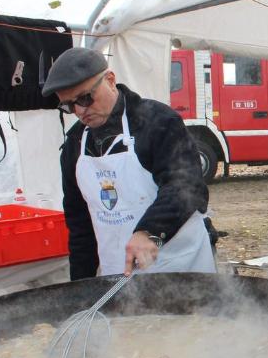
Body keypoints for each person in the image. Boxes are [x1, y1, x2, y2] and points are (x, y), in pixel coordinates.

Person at [44, 48, 216, 280]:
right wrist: (79, 290)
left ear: (110, 80)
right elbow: (80, 226)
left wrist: (150, 231)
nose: (80, 110)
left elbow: (187, 187)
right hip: (118, 274)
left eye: (85, 98)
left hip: (179, 265)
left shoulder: (158, 121)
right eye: (68, 105)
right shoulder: (75, 144)